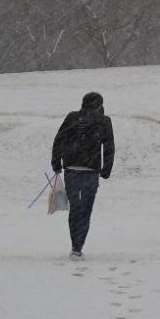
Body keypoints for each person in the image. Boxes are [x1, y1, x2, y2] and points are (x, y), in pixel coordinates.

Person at [51, 92, 115, 260]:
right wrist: (106, 169)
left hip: (71, 169)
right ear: (99, 104)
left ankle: (75, 245)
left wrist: (56, 163)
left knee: (75, 209)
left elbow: (59, 140)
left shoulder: (72, 117)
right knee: (85, 210)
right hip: (91, 171)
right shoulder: (104, 121)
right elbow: (109, 146)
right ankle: (78, 247)